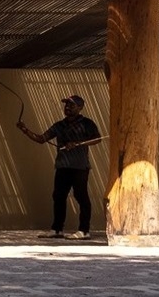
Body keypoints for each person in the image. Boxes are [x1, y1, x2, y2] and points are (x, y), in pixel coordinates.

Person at [17, 94, 101, 239]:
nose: (67, 107)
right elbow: (41, 139)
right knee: (58, 196)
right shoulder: (59, 125)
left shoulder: (87, 123)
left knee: (81, 196)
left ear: (80, 108)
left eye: (71, 105)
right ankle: (57, 230)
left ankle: (84, 231)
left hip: (80, 167)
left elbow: (97, 139)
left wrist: (78, 142)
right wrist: (25, 130)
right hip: (62, 166)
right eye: (66, 104)